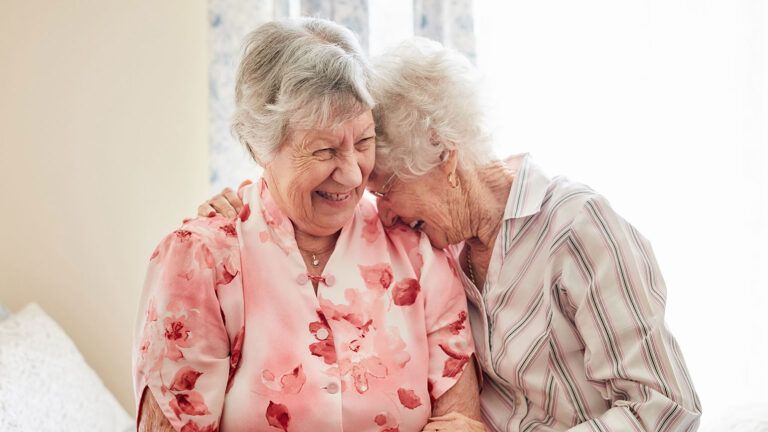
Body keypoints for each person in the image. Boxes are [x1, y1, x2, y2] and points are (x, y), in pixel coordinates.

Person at [203, 36, 702, 431]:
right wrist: (236, 208)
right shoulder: (439, 251)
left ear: (444, 155)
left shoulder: (578, 227)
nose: (386, 214)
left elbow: (665, 406)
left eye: (388, 186)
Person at [135, 19, 481, 432]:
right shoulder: (201, 262)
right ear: (261, 147)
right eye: (325, 150)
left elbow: (460, 421)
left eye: (364, 142)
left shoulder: (417, 251)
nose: (353, 174)